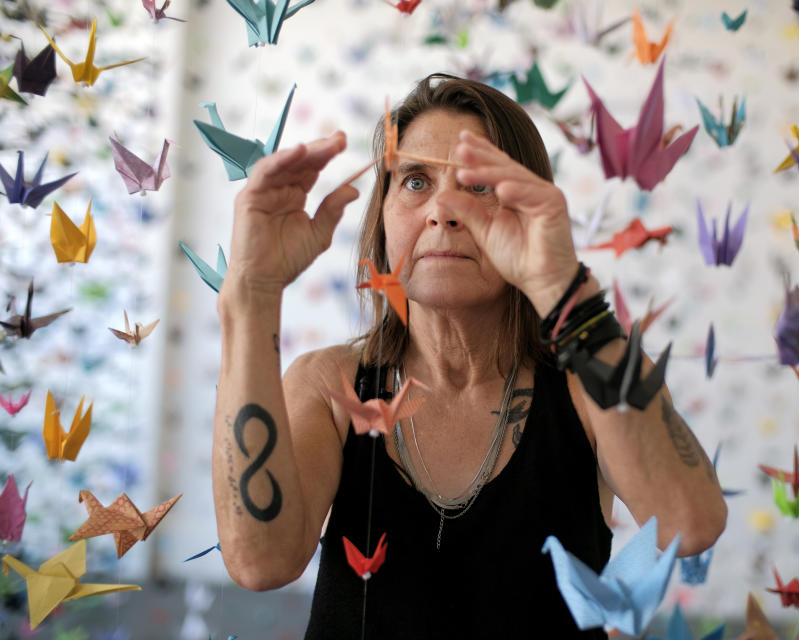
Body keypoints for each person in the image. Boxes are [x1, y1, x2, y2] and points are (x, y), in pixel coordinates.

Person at [212, 73, 726, 639]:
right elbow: (260, 563)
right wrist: (252, 296)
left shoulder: (589, 385)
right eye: (414, 181)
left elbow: (691, 524)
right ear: (381, 217)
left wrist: (563, 288)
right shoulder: (328, 385)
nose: (442, 211)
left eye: (477, 186)